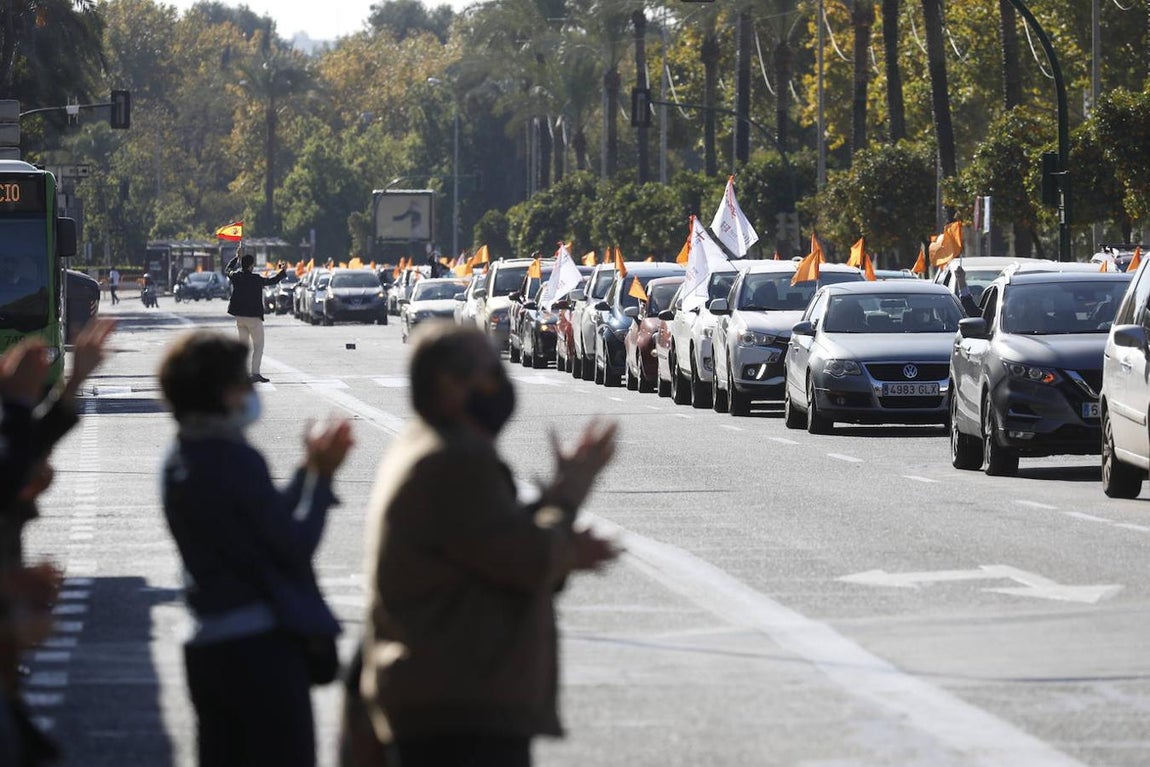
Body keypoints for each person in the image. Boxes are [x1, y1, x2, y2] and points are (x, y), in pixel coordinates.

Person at [359, 323, 619, 767]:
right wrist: (568, 504)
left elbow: (486, 543)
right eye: (490, 370)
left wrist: (553, 503)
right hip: (458, 710)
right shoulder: (454, 460)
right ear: (448, 385)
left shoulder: (425, 444)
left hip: (442, 698)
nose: (500, 382)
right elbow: (527, 560)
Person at [158, 331, 353, 767]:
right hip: (260, 650)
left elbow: (258, 523)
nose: (249, 391)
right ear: (224, 394)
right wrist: (321, 482)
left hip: (207, 643)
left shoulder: (180, 456)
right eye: (242, 382)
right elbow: (292, 544)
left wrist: (306, 471)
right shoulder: (235, 459)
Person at [224, 250, 286, 383]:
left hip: (239, 318)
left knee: (243, 346)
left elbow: (227, 269)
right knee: (258, 345)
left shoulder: (235, 276)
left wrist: (236, 258)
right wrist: (282, 271)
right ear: (251, 265)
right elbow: (272, 280)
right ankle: (255, 373)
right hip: (253, 318)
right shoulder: (256, 279)